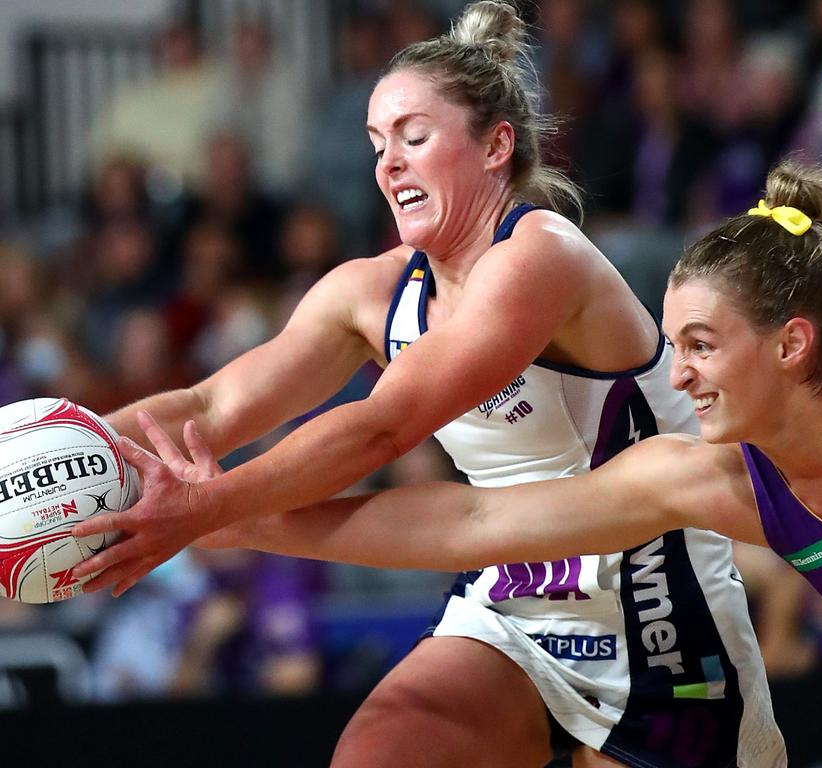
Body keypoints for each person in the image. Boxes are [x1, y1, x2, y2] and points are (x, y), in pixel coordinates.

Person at [72, 3, 785, 767]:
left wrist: (211, 507)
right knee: (377, 753)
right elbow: (208, 407)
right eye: (378, 144)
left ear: (495, 146)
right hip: (511, 598)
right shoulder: (368, 293)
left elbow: (385, 427)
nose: (389, 164)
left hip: (653, 600)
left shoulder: (542, 256)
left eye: (414, 136)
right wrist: (57, 455)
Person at [140, 159, 822, 765]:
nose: (676, 375)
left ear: (791, 344)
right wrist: (226, 515)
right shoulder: (709, 477)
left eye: (702, 346)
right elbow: (477, 523)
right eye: (674, 344)